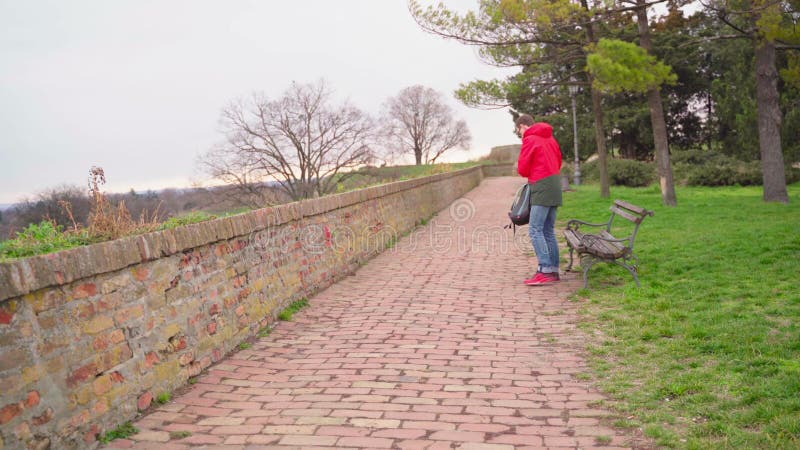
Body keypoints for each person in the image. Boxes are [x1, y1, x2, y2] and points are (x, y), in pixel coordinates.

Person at [515, 114, 563, 286]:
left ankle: (544, 269)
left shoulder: (530, 139)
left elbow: (523, 169)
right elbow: (559, 161)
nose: (519, 134)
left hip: (541, 185)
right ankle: (553, 270)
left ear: (522, 126)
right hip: (555, 184)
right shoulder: (550, 138)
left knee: (535, 230)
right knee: (548, 230)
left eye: (518, 130)